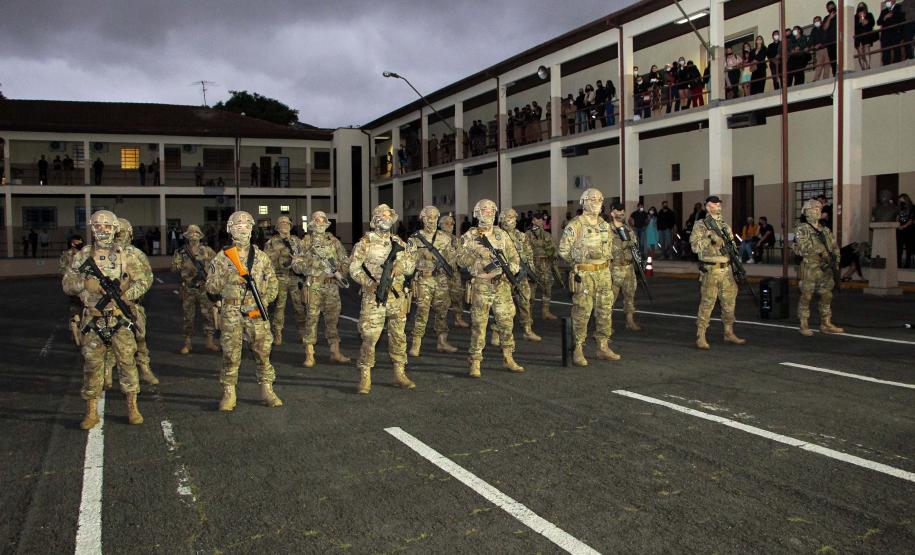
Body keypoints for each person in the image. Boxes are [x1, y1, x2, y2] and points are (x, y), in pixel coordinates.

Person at [62, 210, 152, 429]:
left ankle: (132, 406)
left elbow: (145, 280)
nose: (103, 230)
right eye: (98, 226)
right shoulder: (83, 255)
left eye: (107, 226)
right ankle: (91, 412)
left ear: (114, 229)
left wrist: (124, 295)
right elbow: (67, 284)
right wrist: (84, 284)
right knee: (92, 366)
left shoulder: (127, 255)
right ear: (92, 228)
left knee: (127, 363)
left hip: (120, 319)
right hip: (94, 320)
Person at [205, 210, 282, 411]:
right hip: (231, 311)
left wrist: (264, 300)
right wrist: (229, 278)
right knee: (231, 354)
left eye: (246, 226)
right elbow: (210, 287)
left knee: (263, 352)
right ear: (230, 230)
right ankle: (229, 393)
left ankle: (267, 389)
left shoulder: (262, 257)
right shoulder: (222, 258)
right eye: (238, 226)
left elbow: (273, 283)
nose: (242, 229)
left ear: (251, 229)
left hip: (256, 311)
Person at [349, 204, 417, 394]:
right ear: (375, 219)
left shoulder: (400, 243)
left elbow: (412, 264)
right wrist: (368, 283)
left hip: (397, 296)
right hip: (374, 296)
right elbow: (353, 268)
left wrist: (401, 267)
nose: (386, 218)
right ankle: (365, 375)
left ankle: (399, 372)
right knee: (370, 337)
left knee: (398, 335)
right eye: (382, 215)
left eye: (389, 215)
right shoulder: (365, 242)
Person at [456, 199, 524, 377]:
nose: (488, 213)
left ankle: (508, 357)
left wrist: (508, 271)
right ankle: (475, 361)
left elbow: (515, 259)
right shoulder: (469, 236)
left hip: (501, 285)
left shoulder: (502, 234)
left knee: (506, 322)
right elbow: (460, 261)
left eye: (491, 210)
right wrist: (475, 252)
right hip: (481, 285)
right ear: (477, 213)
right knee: (479, 325)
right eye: (484, 210)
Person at [559, 188, 621, 366]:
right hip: (585, 273)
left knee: (605, 311)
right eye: (592, 199)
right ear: (584, 202)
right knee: (582, 311)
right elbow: (563, 250)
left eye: (599, 199)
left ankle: (602, 346)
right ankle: (577, 348)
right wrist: (578, 262)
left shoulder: (603, 224)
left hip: (603, 272)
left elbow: (610, 247)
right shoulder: (576, 224)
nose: (596, 202)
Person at [293, 211, 352, 367]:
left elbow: (345, 260)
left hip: (331, 286)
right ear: (312, 223)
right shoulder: (305, 242)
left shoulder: (334, 241)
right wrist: (311, 266)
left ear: (326, 222)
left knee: (333, 320)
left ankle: (335, 352)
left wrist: (340, 273)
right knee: (311, 319)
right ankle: (310, 354)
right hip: (313, 285)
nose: (319, 222)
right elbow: (296, 265)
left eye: (322, 220)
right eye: (316, 220)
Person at [690, 196, 747, 350]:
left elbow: (732, 248)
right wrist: (710, 238)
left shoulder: (725, 226)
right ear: (708, 207)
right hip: (711, 270)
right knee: (707, 303)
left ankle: (728, 332)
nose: (718, 206)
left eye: (719, 204)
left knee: (729, 303)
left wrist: (736, 267)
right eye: (715, 204)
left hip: (727, 270)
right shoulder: (700, 225)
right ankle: (700, 335)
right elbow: (695, 247)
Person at [110, 218, 159, 386]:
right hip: (108, 306)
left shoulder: (136, 255)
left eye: (122, 233)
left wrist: (128, 296)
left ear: (129, 234)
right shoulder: (102, 254)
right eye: (116, 233)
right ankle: (107, 371)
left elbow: (147, 278)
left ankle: (144, 368)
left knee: (139, 336)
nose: (118, 237)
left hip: (131, 305)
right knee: (106, 337)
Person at [407, 206, 458, 357]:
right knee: (422, 311)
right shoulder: (415, 238)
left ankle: (442, 342)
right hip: (424, 279)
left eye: (435, 217)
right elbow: (407, 261)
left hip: (441, 279)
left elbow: (453, 259)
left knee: (442, 311)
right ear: (423, 218)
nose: (432, 220)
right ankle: (416, 343)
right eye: (429, 217)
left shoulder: (444, 237)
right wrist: (421, 253)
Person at [794, 199, 844, 336]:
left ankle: (826, 322)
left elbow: (834, 247)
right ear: (807, 212)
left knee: (827, 294)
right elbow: (804, 247)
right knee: (807, 295)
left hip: (825, 267)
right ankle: (804, 323)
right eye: (814, 209)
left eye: (819, 209)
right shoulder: (802, 229)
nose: (817, 211)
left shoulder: (825, 230)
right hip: (810, 266)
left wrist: (836, 260)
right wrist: (821, 252)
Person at [172, 224, 219, 354]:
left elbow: (217, 266)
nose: (194, 236)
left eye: (196, 233)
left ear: (200, 236)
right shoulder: (180, 252)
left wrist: (209, 272)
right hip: (188, 288)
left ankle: (210, 341)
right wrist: (179, 264)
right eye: (191, 234)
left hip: (203, 288)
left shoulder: (207, 251)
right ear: (187, 236)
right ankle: (187, 343)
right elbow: (173, 269)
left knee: (208, 315)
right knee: (188, 317)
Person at [498, 209, 541, 343]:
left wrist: (531, 272)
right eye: (509, 217)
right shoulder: (497, 235)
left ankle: (527, 330)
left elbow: (528, 254)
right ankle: (496, 332)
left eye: (513, 217)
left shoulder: (521, 236)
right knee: (502, 305)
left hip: (521, 274)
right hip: (504, 276)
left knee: (525, 301)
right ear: (502, 219)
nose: (512, 219)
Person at [264, 215, 307, 345]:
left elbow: (305, 257)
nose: (285, 225)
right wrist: (280, 255)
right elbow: (266, 262)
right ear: (277, 227)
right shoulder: (271, 242)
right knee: (279, 307)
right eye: (282, 223)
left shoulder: (297, 241)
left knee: (299, 307)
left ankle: (302, 332)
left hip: (295, 278)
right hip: (280, 278)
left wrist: (300, 263)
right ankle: (277, 333)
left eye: (287, 223)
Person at [608, 202, 643, 332]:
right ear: (612, 213)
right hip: (615, 268)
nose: (621, 212)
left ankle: (630, 320)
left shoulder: (628, 229)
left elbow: (635, 244)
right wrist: (624, 245)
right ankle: (607, 324)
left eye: (622, 210)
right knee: (610, 298)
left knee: (630, 295)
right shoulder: (607, 230)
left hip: (629, 268)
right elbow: (606, 248)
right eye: (618, 210)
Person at [439, 214, 470, 328]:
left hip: (454, 272)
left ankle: (458, 318)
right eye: (447, 223)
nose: (450, 225)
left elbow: (461, 254)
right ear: (441, 225)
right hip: (441, 274)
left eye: (452, 223)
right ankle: (441, 323)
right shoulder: (436, 238)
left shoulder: (455, 239)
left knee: (458, 295)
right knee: (442, 299)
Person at [526, 212, 558, 320]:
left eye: (541, 220)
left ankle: (546, 312)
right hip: (533, 265)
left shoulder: (547, 235)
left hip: (545, 265)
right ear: (533, 221)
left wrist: (553, 256)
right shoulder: (527, 235)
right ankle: (528, 315)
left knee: (547, 289)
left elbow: (553, 250)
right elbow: (523, 251)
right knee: (531, 291)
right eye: (537, 220)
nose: (539, 222)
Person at [59, 234, 85, 347]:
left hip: (84, 285)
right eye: (78, 241)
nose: (80, 242)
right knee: (75, 309)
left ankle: (81, 331)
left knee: (84, 308)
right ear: (72, 243)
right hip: (73, 285)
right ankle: (74, 333)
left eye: (81, 240)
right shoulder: (66, 255)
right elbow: (62, 269)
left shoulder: (85, 253)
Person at [878, 0, 906, 66]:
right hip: (885, 35)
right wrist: (885, 17)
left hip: (895, 33)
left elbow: (902, 20)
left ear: (894, 1)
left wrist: (902, 34)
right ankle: (885, 66)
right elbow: (878, 22)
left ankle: (897, 65)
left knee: (897, 51)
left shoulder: (899, 8)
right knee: (885, 53)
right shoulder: (884, 11)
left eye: (889, 0)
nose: (887, 2)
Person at [855, 3, 877, 70]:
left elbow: (872, 23)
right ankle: (863, 67)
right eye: (859, 7)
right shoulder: (855, 17)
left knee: (867, 49)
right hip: (858, 36)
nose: (861, 8)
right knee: (860, 53)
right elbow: (853, 26)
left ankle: (868, 66)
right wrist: (859, 21)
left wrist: (865, 20)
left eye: (862, 7)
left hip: (867, 35)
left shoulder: (869, 15)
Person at [811, 15, 831, 81]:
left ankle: (826, 78)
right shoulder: (813, 30)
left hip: (826, 48)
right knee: (819, 64)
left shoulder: (824, 28)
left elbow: (827, 37)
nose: (816, 22)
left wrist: (821, 43)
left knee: (827, 64)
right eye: (815, 21)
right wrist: (814, 46)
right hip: (818, 50)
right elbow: (811, 40)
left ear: (821, 21)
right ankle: (816, 79)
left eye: (817, 21)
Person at [898, 193, 915, 268]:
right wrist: (898, 226)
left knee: (909, 248)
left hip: (909, 230)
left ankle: (907, 264)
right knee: (899, 248)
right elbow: (895, 217)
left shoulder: (912, 208)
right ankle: (898, 263)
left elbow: (911, 219)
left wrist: (904, 226)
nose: (901, 202)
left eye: (903, 200)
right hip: (899, 230)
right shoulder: (898, 208)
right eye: (900, 200)